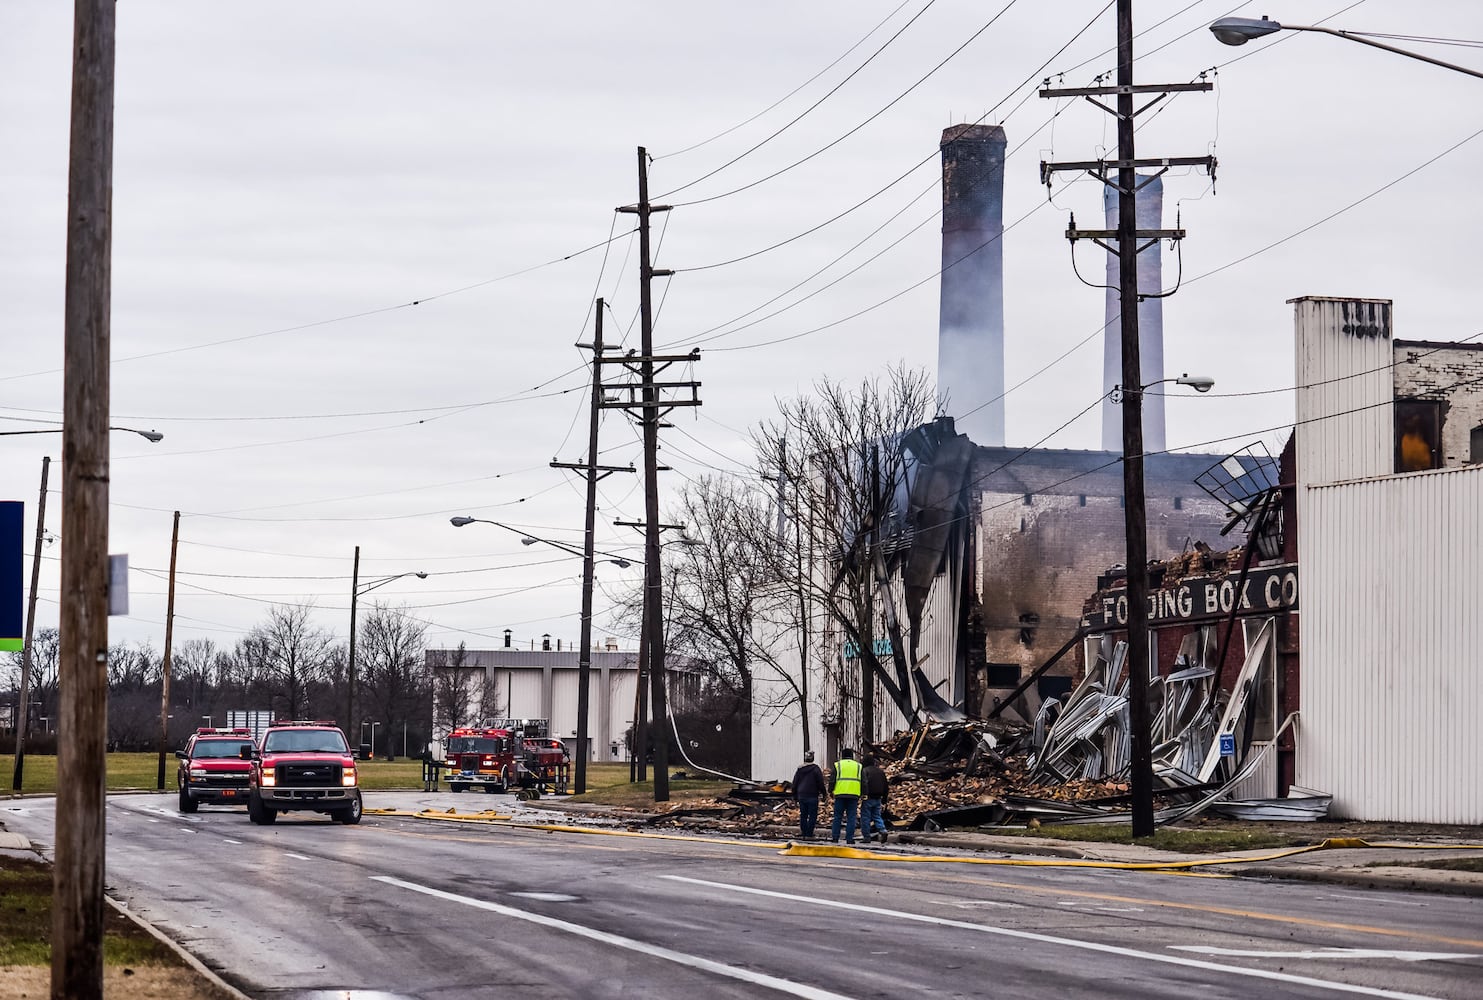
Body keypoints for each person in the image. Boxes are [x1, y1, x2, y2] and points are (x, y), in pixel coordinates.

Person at [828, 747, 863, 844]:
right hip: (854, 795)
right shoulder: (859, 766)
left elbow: (832, 780)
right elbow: (864, 781)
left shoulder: (838, 765)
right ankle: (849, 839)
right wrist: (864, 793)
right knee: (851, 817)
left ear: (842, 756)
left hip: (840, 794)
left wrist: (830, 791)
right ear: (852, 756)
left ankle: (835, 837)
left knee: (837, 817)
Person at [791, 750, 826, 839]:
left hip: (802, 795)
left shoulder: (799, 769)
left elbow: (795, 783)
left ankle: (804, 831)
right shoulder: (816, 769)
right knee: (812, 815)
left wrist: (794, 796)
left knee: (803, 814)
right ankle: (809, 833)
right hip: (812, 795)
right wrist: (824, 794)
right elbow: (820, 783)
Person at [860, 754, 889, 844]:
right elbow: (886, 786)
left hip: (868, 797)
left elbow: (863, 784)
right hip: (878, 798)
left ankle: (866, 836)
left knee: (865, 817)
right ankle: (883, 830)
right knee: (877, 815)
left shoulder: (864, 771)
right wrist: (885, 798)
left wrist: (862, 794)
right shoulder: (880, 772)